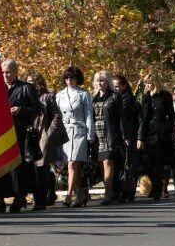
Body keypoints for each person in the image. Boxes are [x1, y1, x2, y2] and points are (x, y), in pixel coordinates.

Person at [0, 59, 39, 213]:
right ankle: (0, 199)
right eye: (2, 72)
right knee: (0, 166)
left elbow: (37, 109)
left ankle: (19, 197)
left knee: (18, 167)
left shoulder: (26, 88)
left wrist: (21, 110)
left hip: (19, 133)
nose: (5, 75)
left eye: (8, 72)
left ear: (16, 72)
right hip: (0, 134)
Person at [56, 65, 93, 207]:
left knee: (73, 163)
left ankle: (69, 195)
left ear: (78, 79)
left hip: (79, 131)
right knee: (72, 165)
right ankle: (81, 194)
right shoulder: (60, 95)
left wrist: (90, 135)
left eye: (72, 77)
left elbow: (89, 115)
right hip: (65, 132)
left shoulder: (84, 94)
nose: (69, 80)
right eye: (66, 77)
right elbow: (57, 116)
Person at [136, 72, 175, 201]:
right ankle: (156, 184)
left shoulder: (165, 96)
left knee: (158, 163)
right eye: (146, 84)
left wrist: (166, 128)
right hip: (148, 134)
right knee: (146, 162)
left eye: (150, 83)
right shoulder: (145, 97)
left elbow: (171, 115)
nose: (147, 86)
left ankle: (157, 190)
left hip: (161, 134)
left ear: (155, 83)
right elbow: (143, 118)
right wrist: (140, 137)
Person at [31, 73, 64, 210]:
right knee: (34, 167)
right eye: (28, 81)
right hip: (32, 134)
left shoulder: (47, 97)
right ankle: (41, 196)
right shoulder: (28, 96)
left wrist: (49, 133)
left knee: (42, 165)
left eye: (33, 81)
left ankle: (41, 199)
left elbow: (56, 115)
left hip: (44, 134)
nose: (31, 84)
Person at [92, 71, 121, 205]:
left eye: (103, 80)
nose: (100, 83)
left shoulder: (114, 97)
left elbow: (121, 118)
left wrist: (124, 136)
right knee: (101, 165)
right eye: (98, 80)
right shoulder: (93, 97)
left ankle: (108, 193)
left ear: (108, 82)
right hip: (96, 134)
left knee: (108, 163)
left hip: (109, 134)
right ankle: (112, 191)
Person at [112, 74, 140, 203]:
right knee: (122, 165)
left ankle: (129, 192)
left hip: (129, 136)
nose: (116, 89)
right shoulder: (116, 97)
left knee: (129, 165)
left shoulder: (127, 99)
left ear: (124, 86)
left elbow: (122, 116)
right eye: (114, 86)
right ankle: (121, 191)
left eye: (118, 86)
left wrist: (127, 136)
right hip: (120, 135)